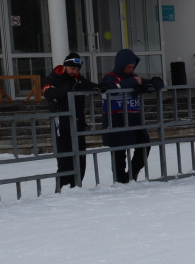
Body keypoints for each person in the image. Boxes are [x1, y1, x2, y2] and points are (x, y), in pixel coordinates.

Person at [42, 52, 102, 191]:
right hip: (62, 126)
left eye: (77, 70)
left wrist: (100, 87)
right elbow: (49, 94)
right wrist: (67, 89)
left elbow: (89, 85)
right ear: (65, 66)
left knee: (80, 160)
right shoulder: (52, 79)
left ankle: (76, 188)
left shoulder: (78, 79)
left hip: (78, 125)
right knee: (65, 161)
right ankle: (62, 190)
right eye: (72, 69)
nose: (74, 72)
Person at [101, 48, 162, 183]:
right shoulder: (110, 76)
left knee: (145, 144)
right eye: (128, 66)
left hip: (134, 120)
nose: (130, 69)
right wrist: (134, 83)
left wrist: (156, 81)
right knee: (118, 153)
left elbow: (147, 82)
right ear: (121, 64)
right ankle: (120, 180)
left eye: (132, 67)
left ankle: (132, 173)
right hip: (116, 120)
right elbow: (110, 87)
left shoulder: (134, 77)